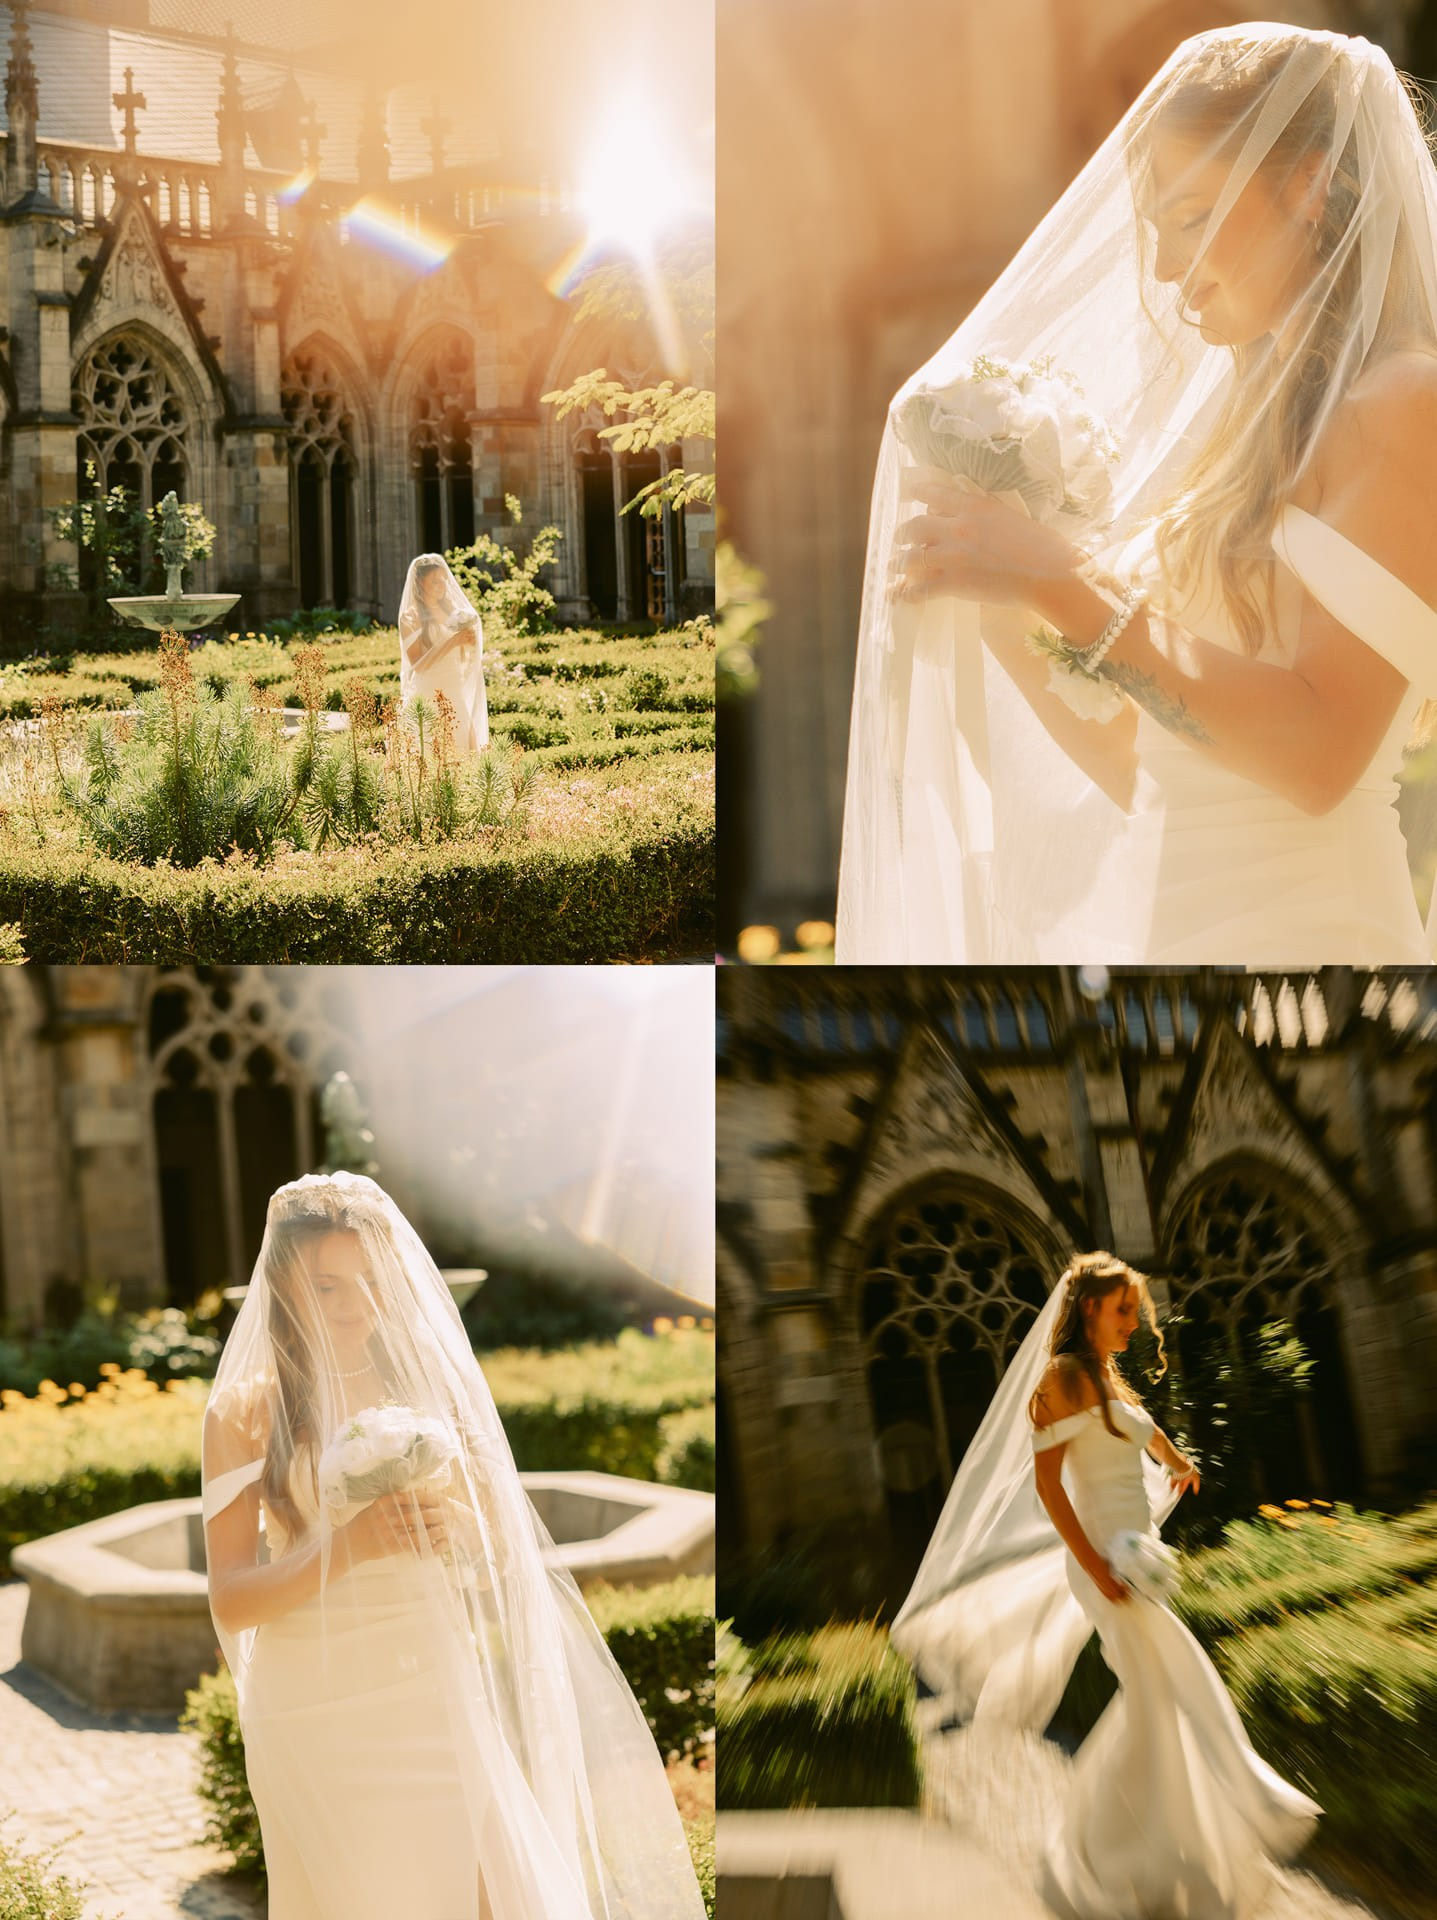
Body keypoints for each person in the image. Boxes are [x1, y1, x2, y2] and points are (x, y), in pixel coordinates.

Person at [837, 24, 1437, 963]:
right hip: (1172, 964)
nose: (1163, 270)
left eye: (1192, 216)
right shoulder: (1248, 445)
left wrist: (1056, 580)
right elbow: (1137, 763)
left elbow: (1318, 757)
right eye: (1156, 228)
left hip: (1313, 963)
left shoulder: (1403, 402)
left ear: (1307, 185)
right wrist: (995, 588)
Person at [201, 1172, 704, 1920]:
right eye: (329, 1285)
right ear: (282, 1286)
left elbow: (498, 1552)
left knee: (491, 1897)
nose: (357, 1306)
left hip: (429, 1683)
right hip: (312, 1707)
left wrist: (457, 1528)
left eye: (372, 1281)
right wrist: (346, 1547)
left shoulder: (428, 1386)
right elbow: (233, 1600)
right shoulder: (244, 1411)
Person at [891, 1252, 1320, 1920]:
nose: (1134, 1323)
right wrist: (1093, 1563)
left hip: (1134, 1554)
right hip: (1103, 1563)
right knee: (1169, 1684)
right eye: (1123, 1310)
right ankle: (1117, 1852)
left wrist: (1177, 1462)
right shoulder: (1061, 1377)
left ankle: (1147, 1849)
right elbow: (1046, 1486)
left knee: (1156, 1700)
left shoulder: (1106, 1376)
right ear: (1088, 1307)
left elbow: (1137, 1436)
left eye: (1135, 1311)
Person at [398, 554, 489, 753]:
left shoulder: (451, 611)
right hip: (429, 690)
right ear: (420, 582)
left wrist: (468, 643)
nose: (441, 585)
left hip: (454, 686)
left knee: (469, 749)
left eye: (443, 580)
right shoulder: (410, 617)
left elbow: (462, 657)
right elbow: (418, 665)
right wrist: (453, 641)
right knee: (434, 752)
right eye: (435, 581)